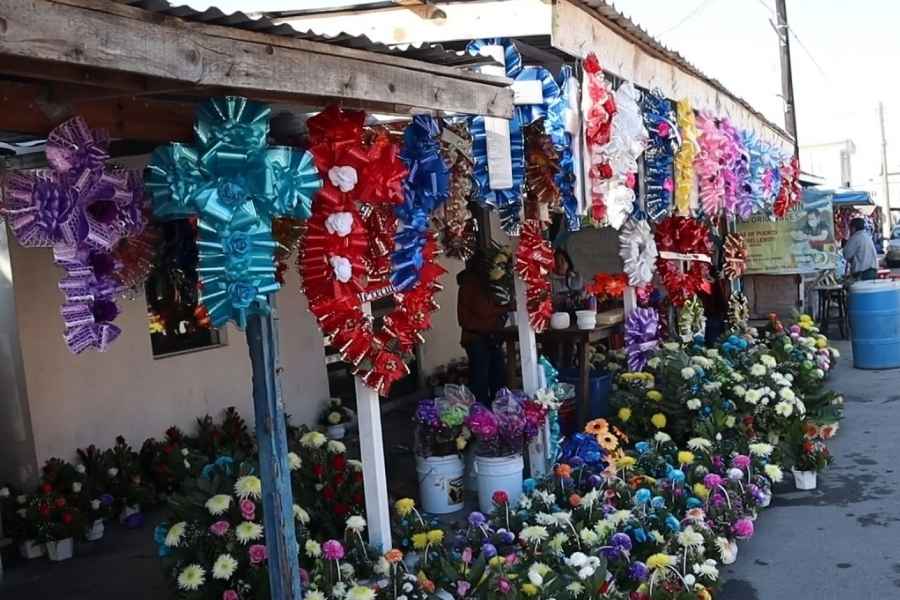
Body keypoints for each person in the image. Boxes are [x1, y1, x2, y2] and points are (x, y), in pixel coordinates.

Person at [457, 251, 508, 406]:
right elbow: (483, 310)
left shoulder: (484, 283)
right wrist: (505, 308)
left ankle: (496, 413)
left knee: (497, 378)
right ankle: (482, 418)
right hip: (477, 337)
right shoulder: (471, 283)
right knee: (481, 382)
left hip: (488, 336)